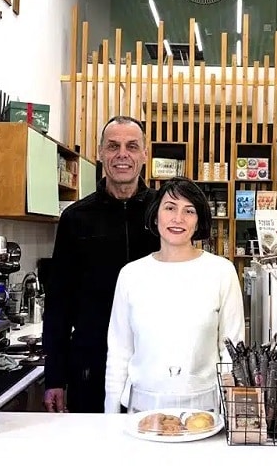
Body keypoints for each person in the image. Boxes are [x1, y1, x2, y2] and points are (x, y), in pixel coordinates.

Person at [42, 116, 160, 413]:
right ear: (100, 153)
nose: (122, 154)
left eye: (132, 146)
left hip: (155, 365)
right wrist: (54, 376)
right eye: (113, 146)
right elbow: (58, 304)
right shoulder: (75, 218)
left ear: (145, 154)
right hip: (90, 367)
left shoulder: (164, 214)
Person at [104, 177, 245, 413]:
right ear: (155, 216)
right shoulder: (131, 275)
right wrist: (111, 415)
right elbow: (119, 352)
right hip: (141, 412)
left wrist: (228, 412)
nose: (178, 218)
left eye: (189, 211)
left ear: (198, 222)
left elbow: (232, 351)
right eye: (170, 208)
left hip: (203, 413)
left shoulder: (221, 272)